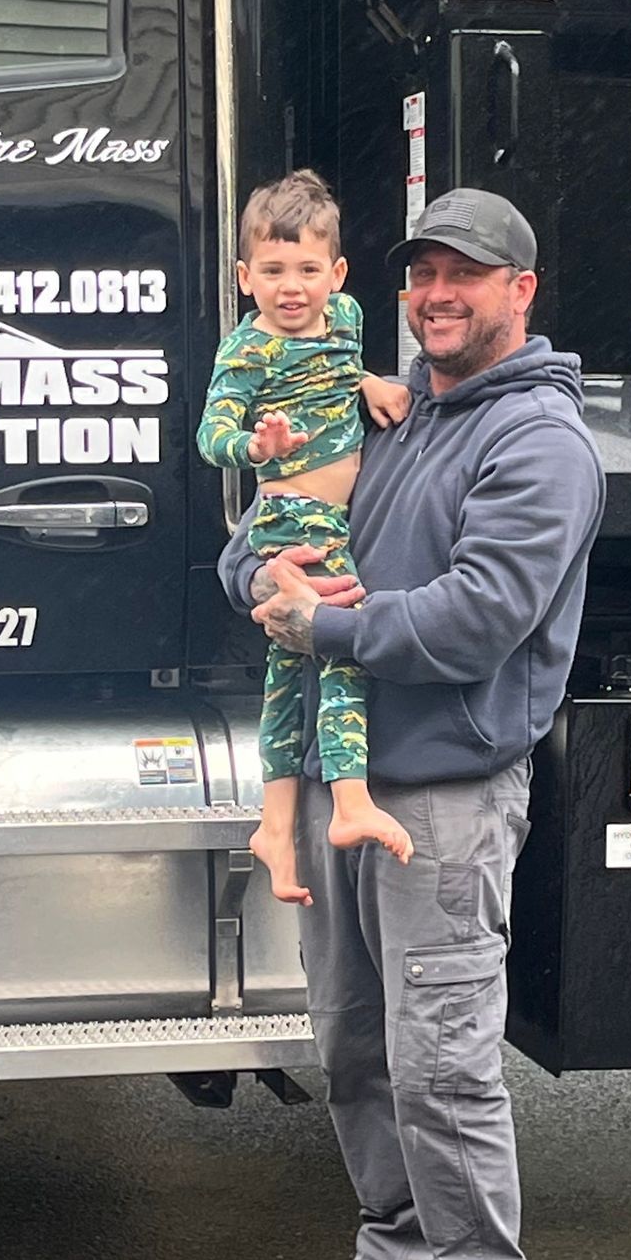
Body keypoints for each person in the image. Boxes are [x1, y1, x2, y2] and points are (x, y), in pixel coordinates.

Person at [221, 187, 604, 1260]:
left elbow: (483, 613)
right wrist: (263, 574)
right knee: (354, 1046)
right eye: (422, 274)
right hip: (348, 786)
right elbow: (269, 535)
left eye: (467, 275)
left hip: (442, 793)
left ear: (520, 291)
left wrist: (325, 619)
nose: (438, 295)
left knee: (442, 1064)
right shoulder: (392, 414)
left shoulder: (537, 441)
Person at [197, 171, 414, 901]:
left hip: (335, 517)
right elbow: (212, 434)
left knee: (289, 675)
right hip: (299, 519)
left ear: (337, 274)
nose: (292, 288)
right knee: (342, 639)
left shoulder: (346, 318)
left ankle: (275, 827)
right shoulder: (246, 352)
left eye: (308, 270)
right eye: (273, 271)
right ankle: (351, 801)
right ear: (243, 276)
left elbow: (340, 369)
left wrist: (372, 384)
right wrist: (257, 448)